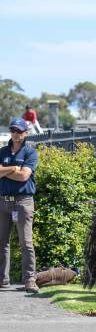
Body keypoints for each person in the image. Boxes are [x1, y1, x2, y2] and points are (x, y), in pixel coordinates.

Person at [0, 118, 39, 293]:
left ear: (26, 133)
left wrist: (4, 171)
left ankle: (30, 280)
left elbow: (24, 176)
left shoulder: (30, 153)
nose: (16, 134)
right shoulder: (2, 151)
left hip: (23, 202)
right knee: (2, 243)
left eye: (20, 131)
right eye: (14, 130)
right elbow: (18, 172)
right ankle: (2, 279)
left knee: (26, 242)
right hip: (3, 202)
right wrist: (14, 168)